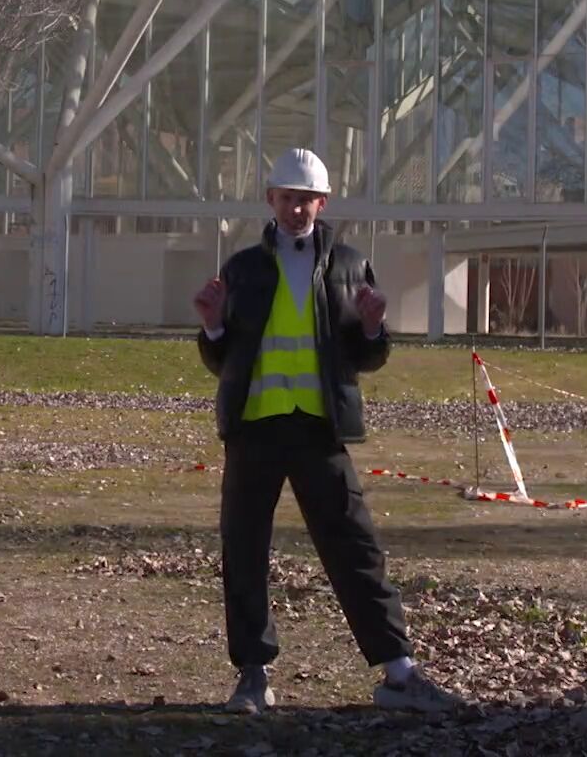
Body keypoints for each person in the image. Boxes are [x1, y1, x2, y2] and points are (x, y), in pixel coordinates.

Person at [192, 147, 455, 716]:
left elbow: (363, 358)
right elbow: (225, 361)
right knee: (245, 551)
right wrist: (212, 325)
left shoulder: (350, 266)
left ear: (322, 202)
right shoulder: (242, 269)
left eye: (307, 199)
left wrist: (374, 326)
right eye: (287, 198)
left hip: (318, 429)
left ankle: (399, 673)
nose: (297, 209)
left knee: (354, 547)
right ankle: (252, 676)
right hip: (254, 430)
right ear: (271, 200)